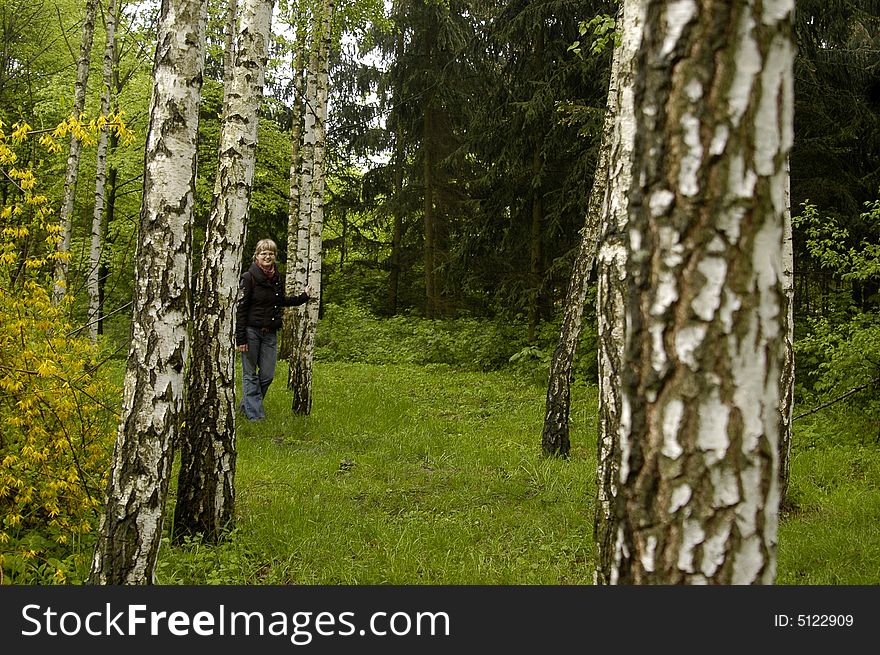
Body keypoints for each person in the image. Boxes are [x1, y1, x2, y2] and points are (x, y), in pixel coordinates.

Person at [236, 238, 310, 421]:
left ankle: (246, 406)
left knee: (267, 375)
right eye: (264, 253)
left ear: (275, 256)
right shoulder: (248, 277)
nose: (267, 256)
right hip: (251, 332)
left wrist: (303, 297)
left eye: (271, 253)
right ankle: (256, 418)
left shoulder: (277, 277)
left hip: (270, 333)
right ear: (257, 256)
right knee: (250, 374)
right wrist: (241, 338)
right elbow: (241, 309)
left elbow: (280, 301)